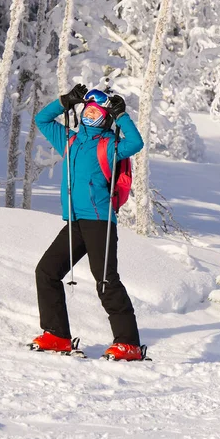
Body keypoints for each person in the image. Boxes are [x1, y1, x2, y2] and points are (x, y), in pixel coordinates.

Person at [31, 84, 144, 360]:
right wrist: (64, 101)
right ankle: (57, 335)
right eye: (87, 111)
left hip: (99, 222)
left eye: (96, 113)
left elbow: (136, 143)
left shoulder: (109, 146)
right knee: (46, 272)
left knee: (106, 281)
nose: (90, 116)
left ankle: (128, 343)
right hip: (76, 222)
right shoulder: (70, 140)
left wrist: (121, 116)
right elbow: (41, 120)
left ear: (104, 118)